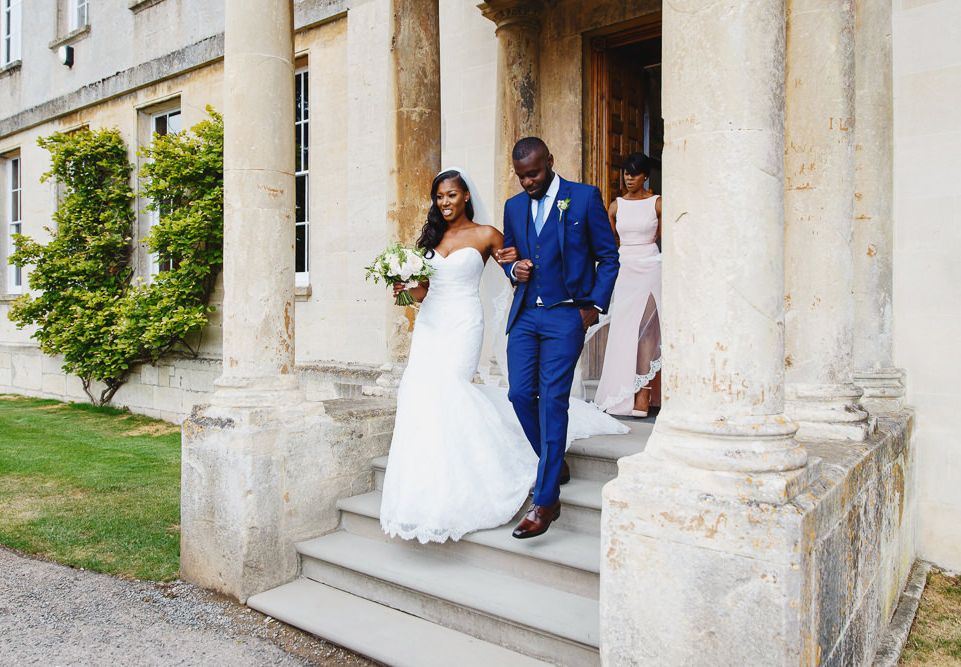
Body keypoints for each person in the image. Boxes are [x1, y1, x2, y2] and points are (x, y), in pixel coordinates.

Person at [379, 168, 627, 545]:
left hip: (463, 323)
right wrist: (404, 287)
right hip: (430, 326)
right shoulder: (430, 240)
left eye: (451, 195)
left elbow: (517, 269)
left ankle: (516, 472)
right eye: (439, 197)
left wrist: (517, 267)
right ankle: (429, 484)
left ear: (465, 196)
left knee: (452, 389)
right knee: (421, 395)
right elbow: (421, 295)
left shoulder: (488, 234)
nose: (444, 202)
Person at [495, 137, 620, 539]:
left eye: (533, 173)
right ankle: (553, 459)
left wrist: (593, 306)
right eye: (521, 176)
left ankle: (546, 501)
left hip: (567, 314)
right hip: (527, 314)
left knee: (552, 400)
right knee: (518, 394)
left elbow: (609, 256)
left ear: (550, 161)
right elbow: (510, 255)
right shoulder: (514, 207)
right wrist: (515, 272)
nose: (528, 182)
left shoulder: (583, 198)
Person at [593, 153, 662, 417]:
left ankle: (643, 396)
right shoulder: (616, 206)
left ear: (645, 176)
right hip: (625, 266)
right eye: (626, 173)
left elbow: (664, 235)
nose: (629, 178)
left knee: (646, 330)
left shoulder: (657, 203)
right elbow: (611, 242)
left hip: (649, 264)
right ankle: (619, 393)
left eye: (634, 173)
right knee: (623, 329)